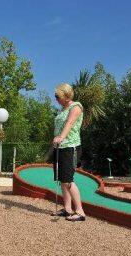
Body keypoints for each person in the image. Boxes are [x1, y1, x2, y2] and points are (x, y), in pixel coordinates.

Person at [52, 83, 86, 221]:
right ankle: (67, 209)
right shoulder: (62, 109)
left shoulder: (76, 106)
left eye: (57, 96)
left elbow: (70, 123)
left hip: (70, 147)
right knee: (62, 180)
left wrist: (61, 137)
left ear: (66, 96)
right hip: (60, 147)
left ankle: (80, 211)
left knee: (68, 179)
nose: (56, 99)